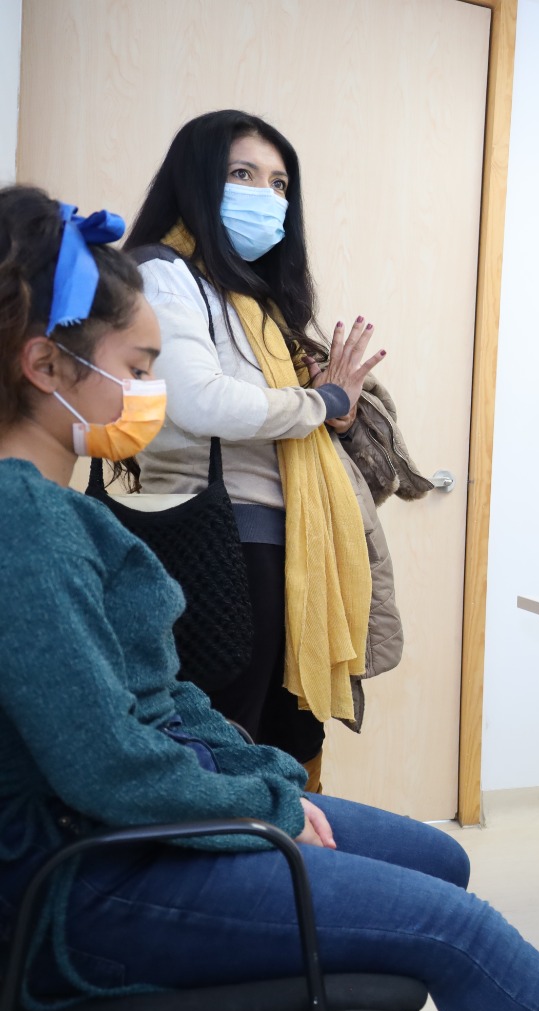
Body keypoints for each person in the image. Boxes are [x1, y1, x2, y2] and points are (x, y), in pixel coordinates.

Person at [0, 185, 539, 1011]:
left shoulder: (54, 509)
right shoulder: (23, 525)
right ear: (46, 366)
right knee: (451, 927)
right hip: (85, 888)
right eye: (141, 366)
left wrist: (268, 781)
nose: (155, 391)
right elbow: (110, 762)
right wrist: (267, 805)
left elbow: (157, 705)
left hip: (115, 837)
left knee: (437, 860)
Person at [122, 110, 394, 790]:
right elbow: (200, 402)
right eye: (242, 174)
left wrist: (332, 409)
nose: (265, 196)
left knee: (290, 728)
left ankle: (295, 844)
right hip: (223, 537)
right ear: (195, 180)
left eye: (278, 184)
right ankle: (244, 846)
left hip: (281, 537)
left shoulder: (252, 297)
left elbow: (274, 413)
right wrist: (318, 403)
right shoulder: (164, 274)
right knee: (231, 730)